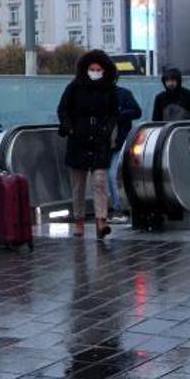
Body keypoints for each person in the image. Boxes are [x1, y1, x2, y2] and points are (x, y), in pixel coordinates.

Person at [57, 50, 118, 239]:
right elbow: (63, 110)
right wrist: (70, 128)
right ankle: (79, 222)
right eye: (92, 69)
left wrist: (107, 129)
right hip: (78, 140)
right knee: (78, 185)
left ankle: (101, 221)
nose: (95, 72)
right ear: (85, 69)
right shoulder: (74, 88)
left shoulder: (109, 90)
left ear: (105, 70)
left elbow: (114, 113)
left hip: (100, 140)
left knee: (100, 181)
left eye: (99, 69)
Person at [109, 83, 142, 222]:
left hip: (119, 141)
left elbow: (136, 112)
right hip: (104, 143)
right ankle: (117, 206)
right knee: (106, 176)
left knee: (113, 174)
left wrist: (119, 114)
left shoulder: (123, 94)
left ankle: (120, 208)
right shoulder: (96, 94)